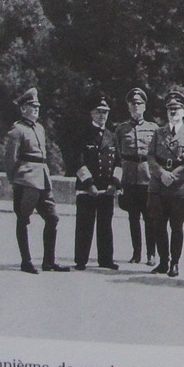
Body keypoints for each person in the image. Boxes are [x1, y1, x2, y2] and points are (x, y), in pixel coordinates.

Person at [1, 86, 69, 273]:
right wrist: (14, 179)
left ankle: (49, 261)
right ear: (23, 109)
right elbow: (9, 159)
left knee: (52, 218)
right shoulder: (17, 130)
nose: (37, 109)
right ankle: (26, 261)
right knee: (23, 219)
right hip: (26, 179)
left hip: (43, 178)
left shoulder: (39, 128)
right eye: (32, 106)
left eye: (38, 106)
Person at [146, 89, 184, 277]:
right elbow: (150, 157)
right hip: (159, 185)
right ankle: (163, 261)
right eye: (170, 109)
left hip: (180, 187)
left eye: (177, 108)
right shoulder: (158, 133)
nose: (173, 111)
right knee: (159, 225)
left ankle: (174, 263)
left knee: (177, 226)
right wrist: (161, 174)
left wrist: (173, 176)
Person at [73, 94, 119, 270]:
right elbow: (77, 161)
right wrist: (88, 183)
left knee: (105, 225)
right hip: (88, 189)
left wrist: (114, 183)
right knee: (84, 224)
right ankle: (81, 260)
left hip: (106, 189)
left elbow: (118, 161)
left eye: (105, 112)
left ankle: (106, 259)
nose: (102, 115)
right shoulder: (83, 134)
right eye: (99, 112)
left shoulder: (112, 136)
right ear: (91, 114)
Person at [114, 87, 159, 265]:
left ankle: (151, 254)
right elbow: (117, 156)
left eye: (139, 104)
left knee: (150, 217)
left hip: (147, 176)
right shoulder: (121, 129)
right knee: (133, 217)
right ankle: (136, 253)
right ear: (128, 107)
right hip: (129, 177)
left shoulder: (153, 128)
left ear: (145, 107)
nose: (136, 107)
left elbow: (157, 155)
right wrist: (118, 181)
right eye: (133, 104)